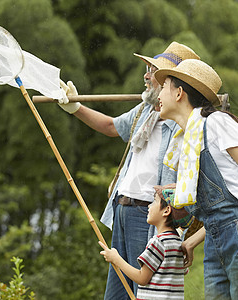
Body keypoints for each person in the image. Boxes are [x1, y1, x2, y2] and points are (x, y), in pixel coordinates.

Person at [58, 42, 200, 299]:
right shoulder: (145, 110)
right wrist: (75, 107)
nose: (146, 76)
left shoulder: (184, 124)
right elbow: (112, 127)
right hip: (122, 208)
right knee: (117, 292)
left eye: (153, 71)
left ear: (172, 84)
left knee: (144, 289)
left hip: (147, 213)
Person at [154, 59, 238, 299]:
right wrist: (193, 240)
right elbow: (216, 214)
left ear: (179, 93)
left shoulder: (217, 123)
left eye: (164, 86)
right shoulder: (186, 141)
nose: (158, 92)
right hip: (216, 238)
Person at [99, 184, 189, 300]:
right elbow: (182, 271)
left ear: (166, 210)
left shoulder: (158, 242)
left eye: (154, 201)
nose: (149, 206)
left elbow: (142, 278)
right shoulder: (177, 243)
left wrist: (116, 259)